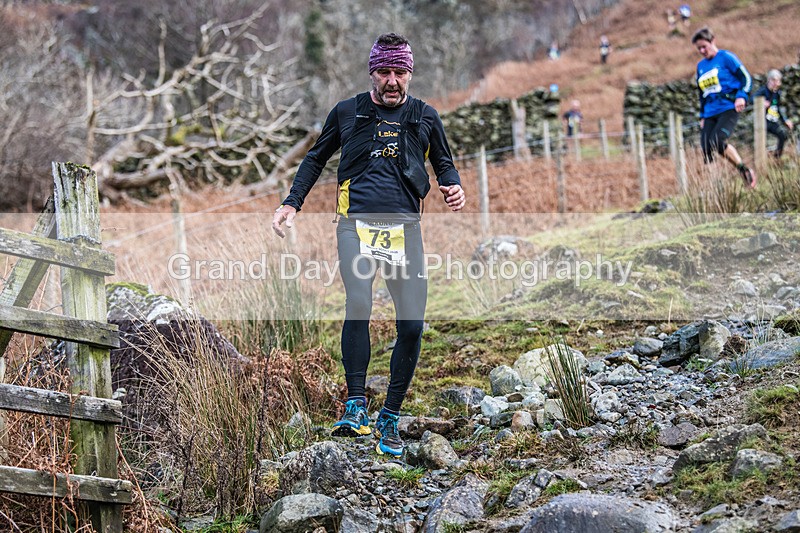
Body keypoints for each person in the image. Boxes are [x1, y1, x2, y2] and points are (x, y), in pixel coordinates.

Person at [272, 33, 465, 457]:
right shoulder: (347, 113)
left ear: (409, 73)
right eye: (385, 72)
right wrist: (292, 203)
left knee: (412, 324)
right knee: (358, 302)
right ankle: (355, 404)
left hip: (404, 229)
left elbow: (444, 162)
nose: (392, 81)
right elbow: (315, 158)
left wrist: (452, 185)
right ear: (372, 72)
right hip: (354, 227)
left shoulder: (425, 116)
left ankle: (390, 415)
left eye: (400, 72)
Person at [692, 27, 756, 187]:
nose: (701, 50)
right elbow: (702, 93)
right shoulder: (700, 66)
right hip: (709, 113)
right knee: (706, 147)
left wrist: (742, 96)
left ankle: (744, 170)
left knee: (718, 141)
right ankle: (714, 187)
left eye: (704, 46)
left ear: (713, 41)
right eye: (698, 48)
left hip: (728, 108)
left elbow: (746, 78)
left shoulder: (726, 57)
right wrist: (702, 115)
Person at [755, 70, 794, 158]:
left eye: (778, 81)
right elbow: (752, 99)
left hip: (772, 120)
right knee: (761, 141)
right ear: (769, 80)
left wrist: (785, 120)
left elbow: (778, 108)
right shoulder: (762, 91)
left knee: (783, 135)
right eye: (774, 80)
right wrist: (761, 103)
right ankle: (762, 158)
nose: (776, 83)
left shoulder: (777, 93)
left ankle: (776, 157)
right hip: (762, 122)